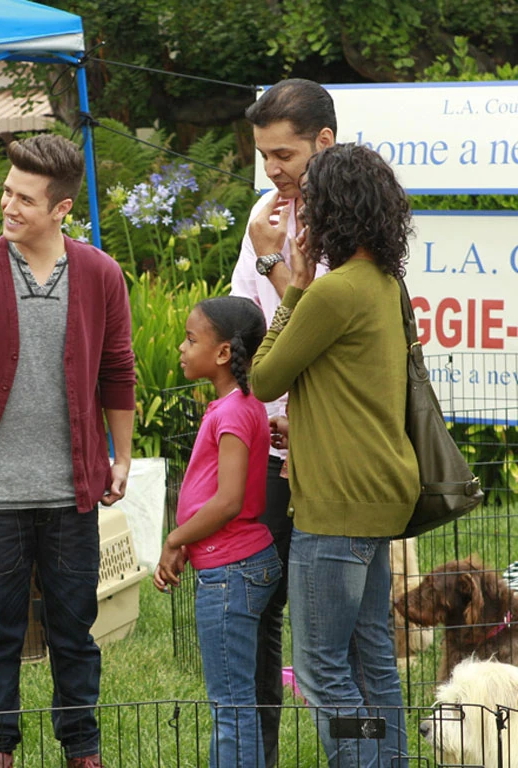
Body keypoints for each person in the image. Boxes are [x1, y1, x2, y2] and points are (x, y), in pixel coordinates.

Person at [0, 134, 136, 768]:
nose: (8, 205)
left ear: (62, 208)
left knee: (75, 631)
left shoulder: (101, 275)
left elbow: (118, 371)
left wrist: (120, 457)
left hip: (74, 491)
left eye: (24, 198)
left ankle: (82, 750)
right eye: (6, 191)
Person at [250, 143, 420, 767]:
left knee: (322, 670)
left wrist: (293, 284)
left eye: (310, 205)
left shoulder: (332, 293)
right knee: (372, 658)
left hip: (335, 505)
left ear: (331, 212)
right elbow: (351, 389)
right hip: (382, 495)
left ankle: (362, 762)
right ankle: (387, 761)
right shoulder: (385, 285)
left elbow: (264, 377)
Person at [229, 77, 336, 768]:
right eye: (263, 155)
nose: (271, 169)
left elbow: (324, 324)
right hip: (267, 446)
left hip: (330, 449)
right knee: (258, 610)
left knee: (331, 631)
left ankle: (356, 753)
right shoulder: (265, 214)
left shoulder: (353, 213)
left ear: (324, 142)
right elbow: (249, 321)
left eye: (284, 154)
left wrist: (273, 262)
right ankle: (258, 754)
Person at [154, 296, 280, 768]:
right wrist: (190, 540)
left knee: (231, 706)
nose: (182, 348)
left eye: (191, 339)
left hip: (231, 573)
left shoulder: (232, 412)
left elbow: (228, 501)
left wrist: (175, 538)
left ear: (224, 352)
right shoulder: (239, 405)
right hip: (238, 564)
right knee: (234, 702)